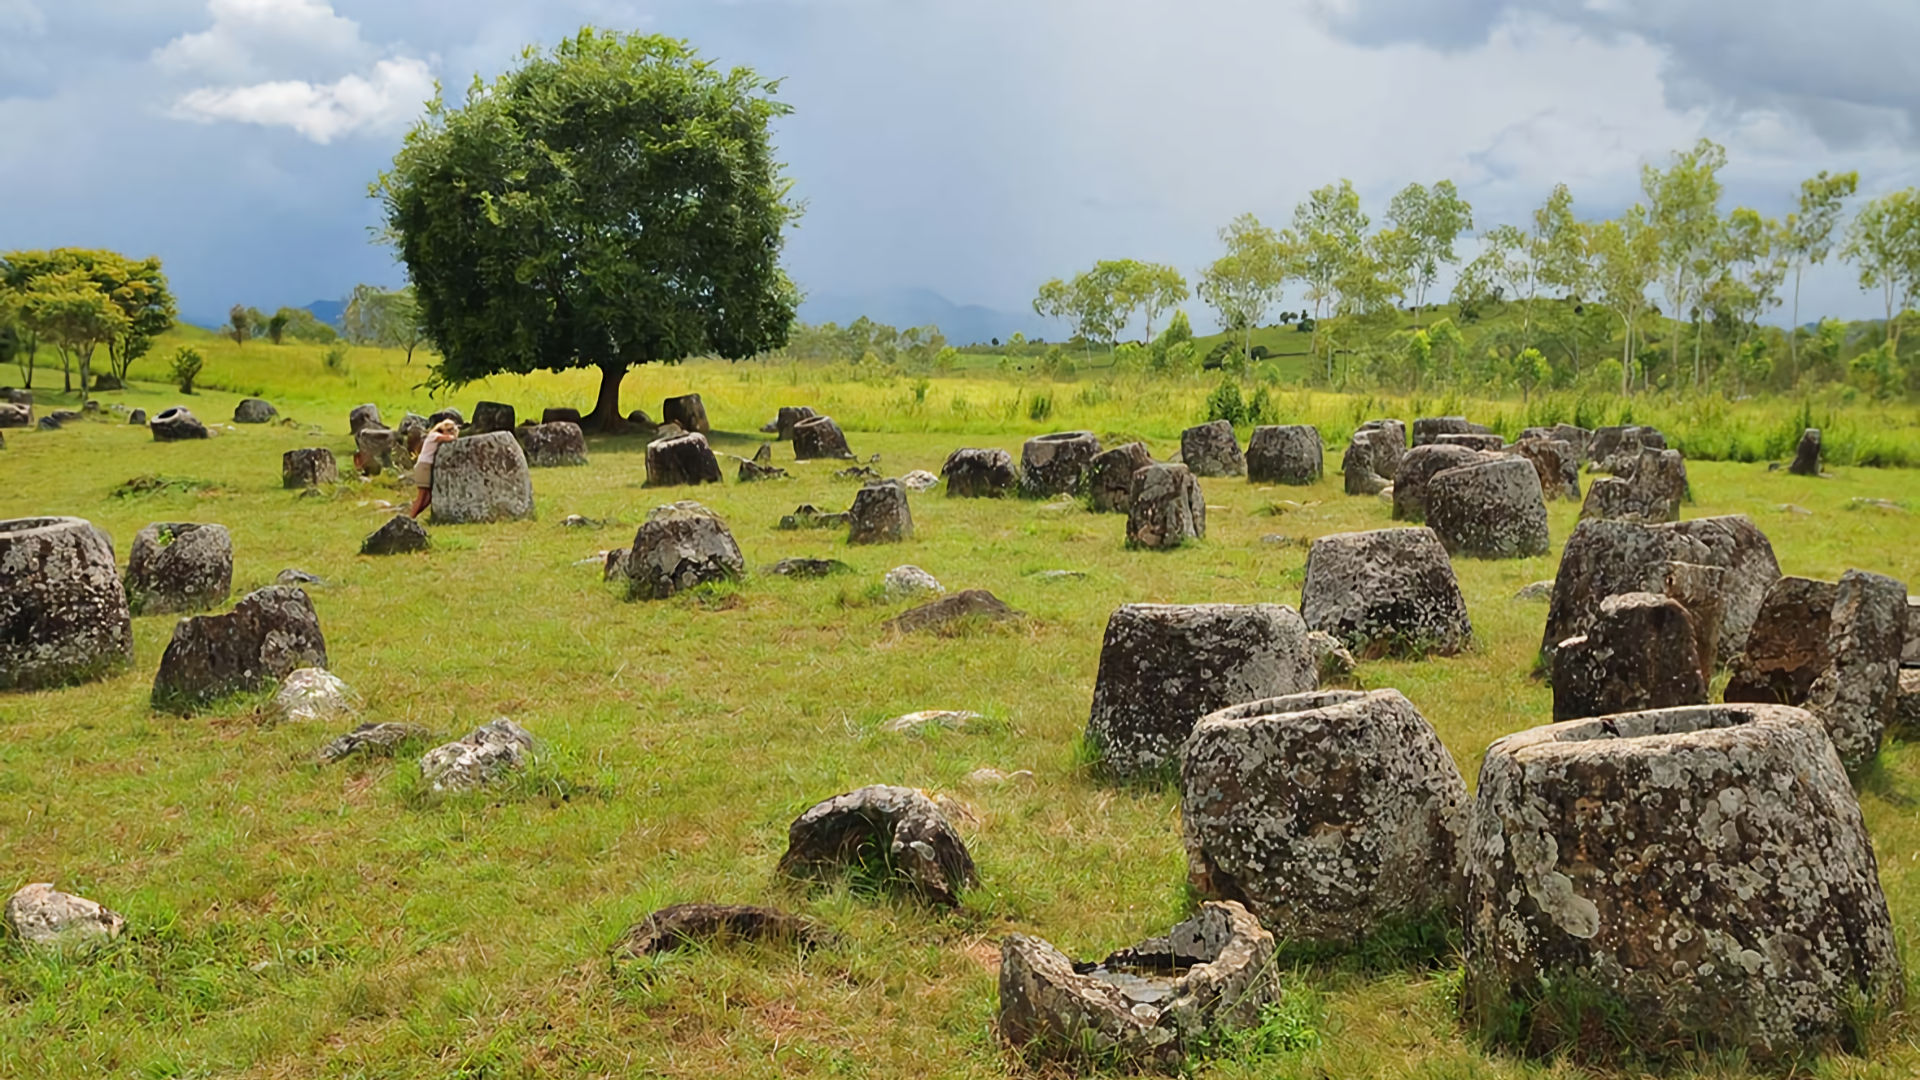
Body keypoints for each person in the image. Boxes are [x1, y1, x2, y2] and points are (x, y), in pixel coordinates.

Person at [409, 419, 459, 518]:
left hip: (426, 466)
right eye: (449, 430)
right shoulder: (434, 436)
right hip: (424, 465)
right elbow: (449, 438)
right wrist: (454, 435)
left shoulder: (436, 437)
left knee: (428, 497)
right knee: (422, 495)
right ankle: (410, 517)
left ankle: (413, 515)